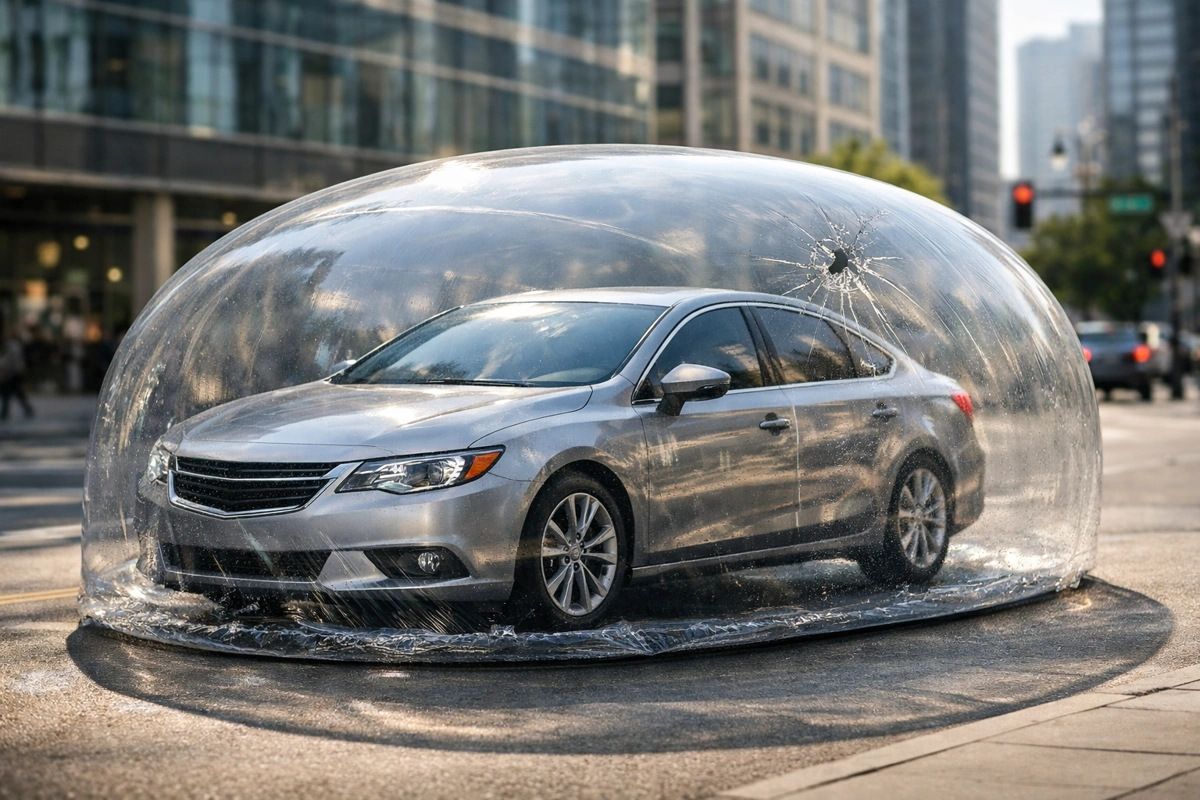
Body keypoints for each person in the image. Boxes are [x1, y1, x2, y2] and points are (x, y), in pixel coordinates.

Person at [0, 329, 34, 420]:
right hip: (13, 373)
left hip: (12, 373)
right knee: (17, 392)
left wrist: (4, 368)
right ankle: (27, 409)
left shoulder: (13, 345)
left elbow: (12, 360)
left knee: (7, 393)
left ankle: (5, 412)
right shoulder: (14, 345)